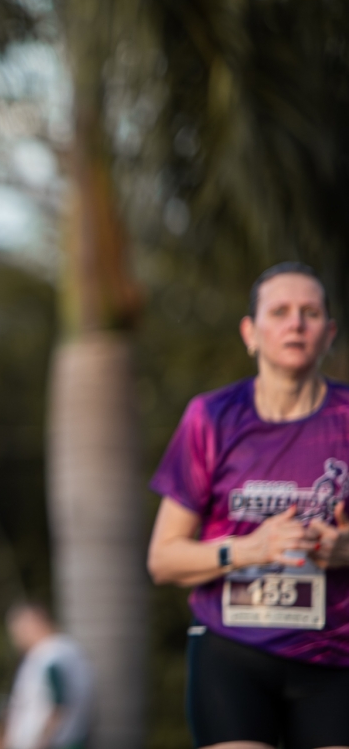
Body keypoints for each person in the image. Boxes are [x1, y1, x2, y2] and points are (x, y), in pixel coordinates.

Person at [146, 262, 349, 749]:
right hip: (231, 651)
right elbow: (163, 560)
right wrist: (248, 549)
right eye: (279, 312)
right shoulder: (212, 417)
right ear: (250, 333)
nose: (295, 323)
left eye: (310, 313)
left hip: (334, 655)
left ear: (329, 333)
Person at [0, 603, 93, 749]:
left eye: (16, 631)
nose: (15, 639)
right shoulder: (62, 651)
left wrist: (40, 742)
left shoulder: (50, 655)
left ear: (33, 625)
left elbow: (57, 705)